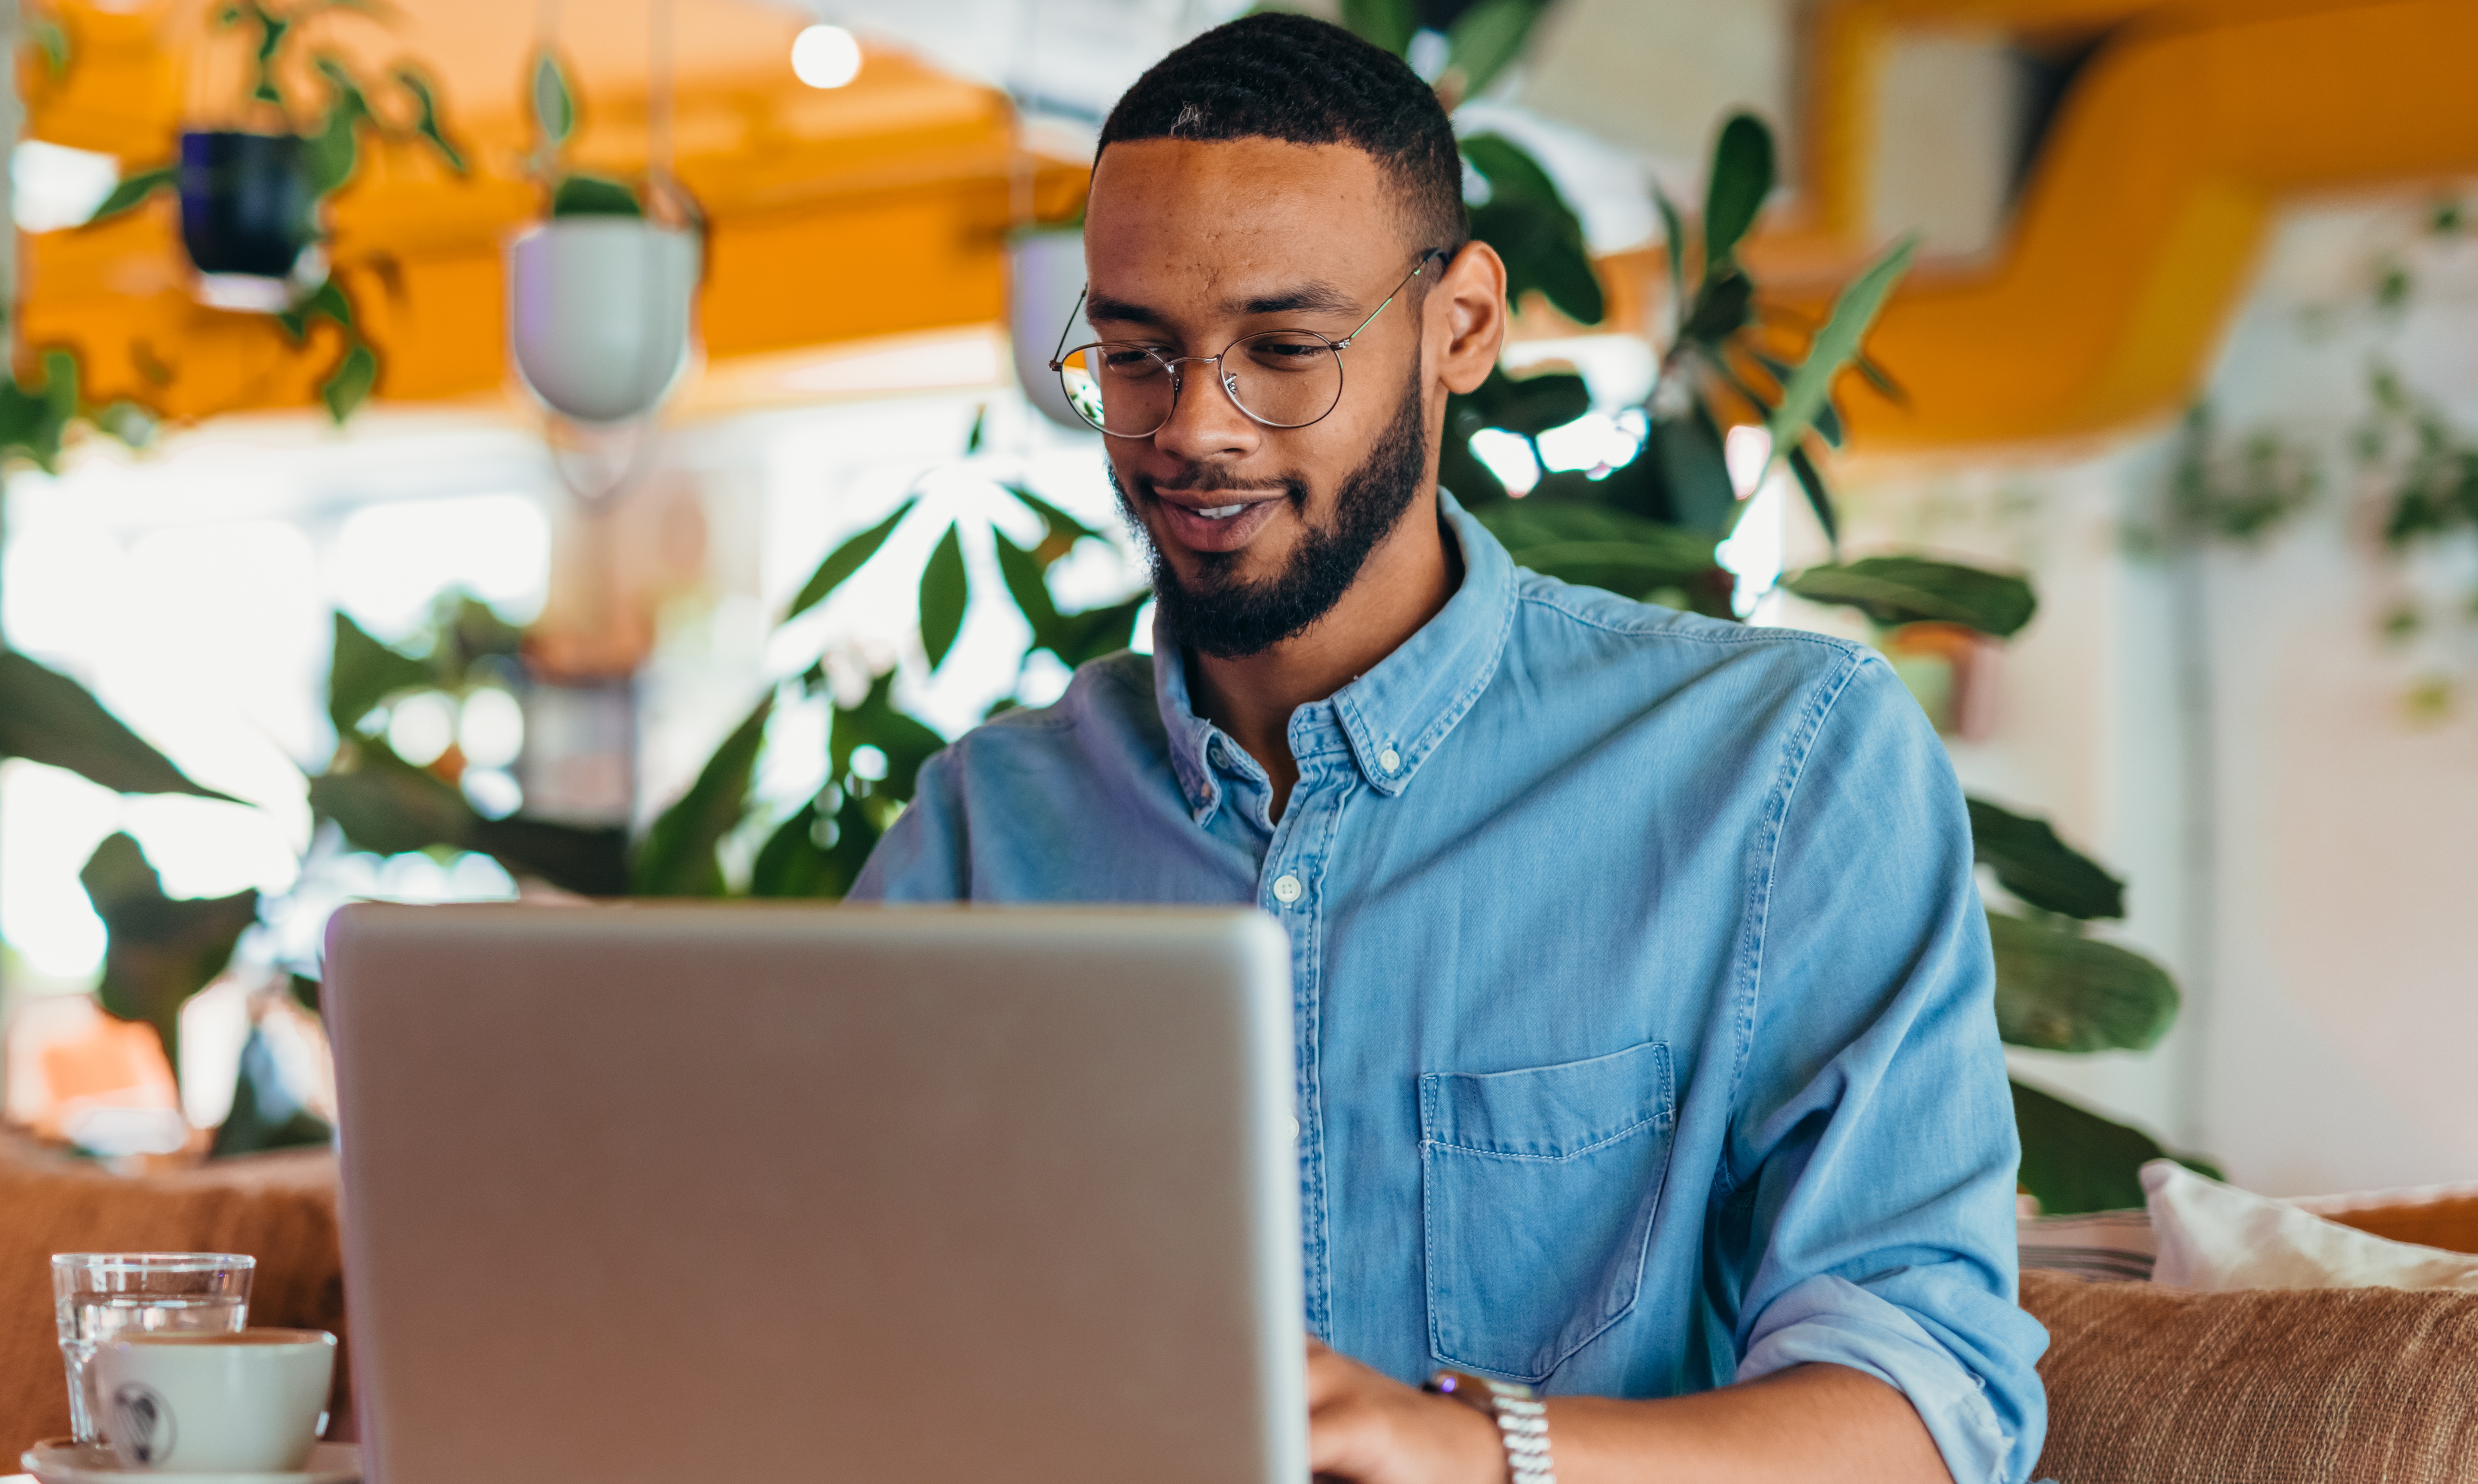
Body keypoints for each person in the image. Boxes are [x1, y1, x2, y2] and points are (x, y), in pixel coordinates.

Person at [848, 14, 2045, 1484]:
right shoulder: (987, 828)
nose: (1193, 432)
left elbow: (1934, 1410)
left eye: (1284, 350)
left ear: (1462, 326)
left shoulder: (1780, 763)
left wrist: (1482, 1453)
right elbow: (832, 1320)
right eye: (1138, 354)